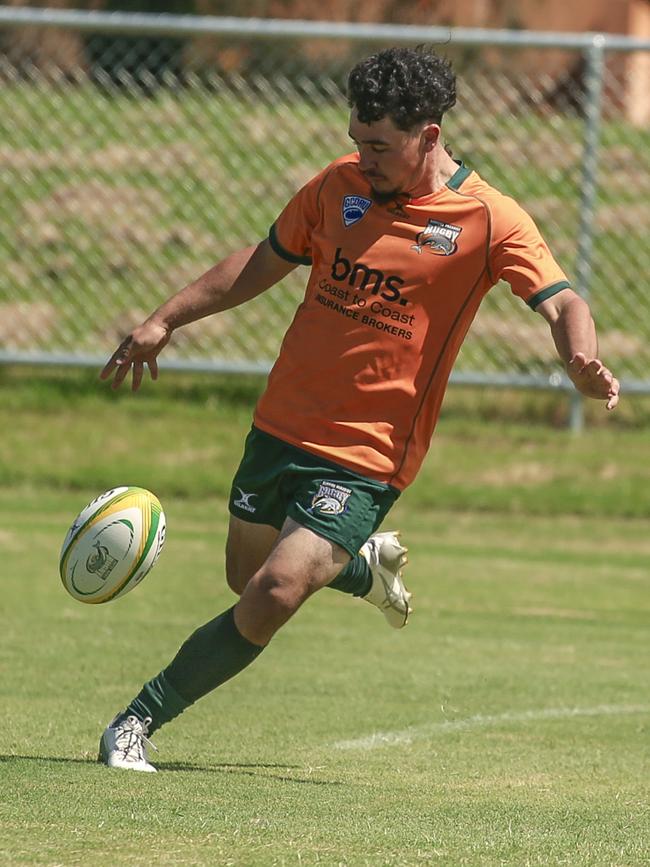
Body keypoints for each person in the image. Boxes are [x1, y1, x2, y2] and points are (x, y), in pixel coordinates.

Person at [98, 46, 620, 772]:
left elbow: (564, 298)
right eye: (357, 139)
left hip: (370, 452)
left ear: (429, 136)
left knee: (276, 591)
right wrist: (166, 319)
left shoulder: (487, 218)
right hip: (281, 424)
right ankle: (360, 567)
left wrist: (578, 358)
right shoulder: (334, 188)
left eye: (379, 145)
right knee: (244, 579)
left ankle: (137, 720)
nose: (362, 156)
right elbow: (261, 261)